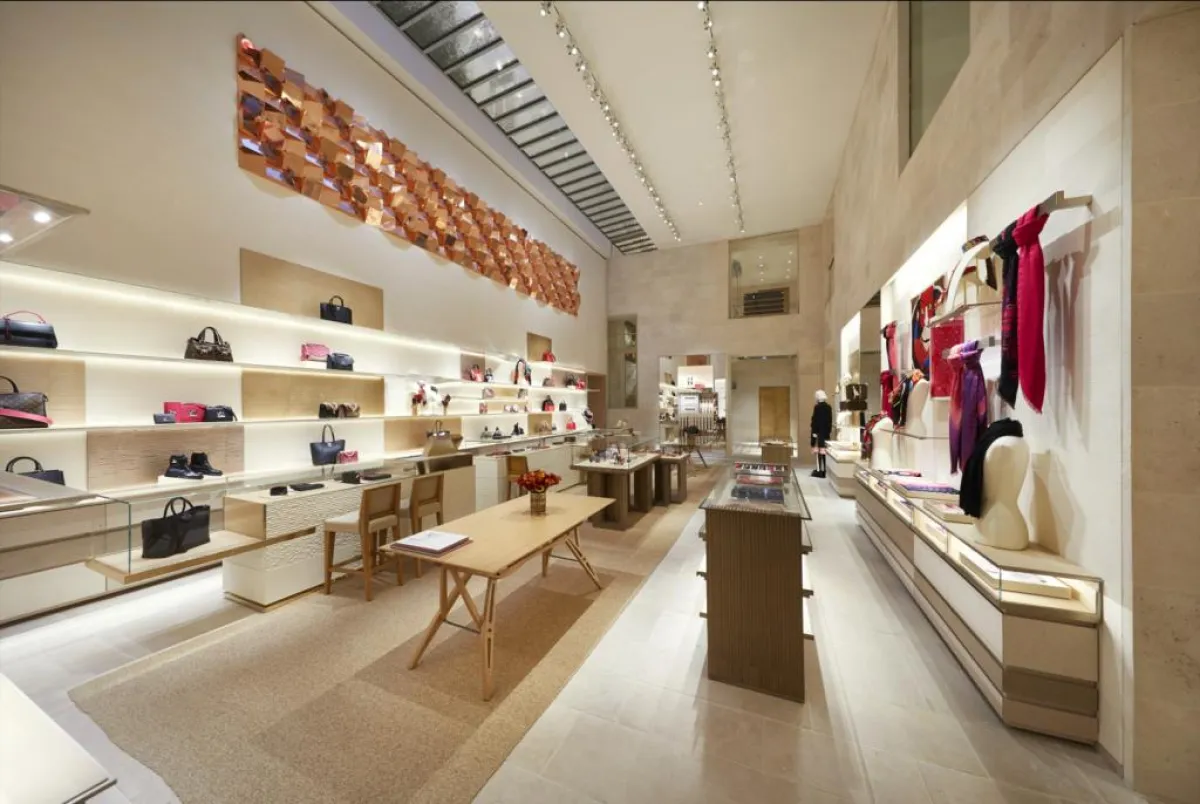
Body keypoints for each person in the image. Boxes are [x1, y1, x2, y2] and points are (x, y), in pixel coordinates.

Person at [810, 390, 833, 478]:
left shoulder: (817, 407)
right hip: (825, 433)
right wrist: (828, 431)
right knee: (824, 452)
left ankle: (820, 470)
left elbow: (815, 421)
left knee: (819, 452)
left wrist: (814, 432)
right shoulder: (828, 407)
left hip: (818, 433)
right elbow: (829, 421)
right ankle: (824, 470)